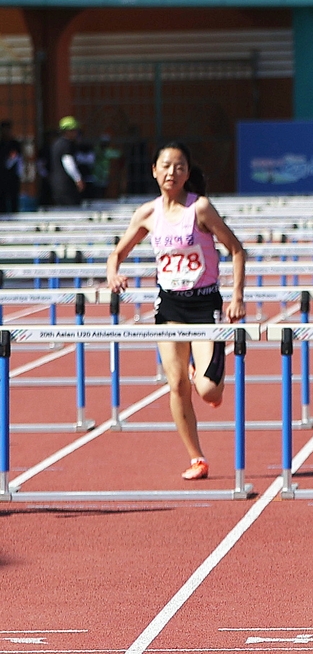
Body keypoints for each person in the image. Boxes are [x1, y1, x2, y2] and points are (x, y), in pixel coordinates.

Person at [106, 143, 246, 481]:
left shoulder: (200, 208)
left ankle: (205, 370)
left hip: (204, 303)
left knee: (209, 391)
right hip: (169, 304)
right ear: (154, 170)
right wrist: (114, 273)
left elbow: (236, 249)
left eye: (179, 166)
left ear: (187, 172)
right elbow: (117, 253)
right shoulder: (147, 214)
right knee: (177, 384)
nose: (172, 172)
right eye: (166, 166)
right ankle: (197, 457)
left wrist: (237, 296)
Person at [50, 116, 85, 207]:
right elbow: (68, 162)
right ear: (67, 131)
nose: (76, 133)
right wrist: (78, 178)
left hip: (57, 185)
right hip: (66, 186)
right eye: (74, 131)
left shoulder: (56, 143)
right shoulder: (66, 145)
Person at [0, 120, 21, 213]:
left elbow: (17, 159)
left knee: (13, 200)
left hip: (12, 177)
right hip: (1, 177)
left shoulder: (14, 144)